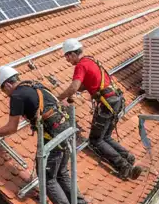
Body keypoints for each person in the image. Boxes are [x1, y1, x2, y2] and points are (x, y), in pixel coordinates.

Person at [0, 66, 89, 204]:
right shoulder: (34, 85)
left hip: (53, 139)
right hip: (67, 132)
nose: (6, 95)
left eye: (4, 91)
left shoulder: (17, 96)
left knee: (48, 178)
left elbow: (12, 127)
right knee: (61, 172)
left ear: (7, 85)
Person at [57, 39, 143, 180]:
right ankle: (128, 157)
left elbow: (74, 86)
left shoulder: (80, 66)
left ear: (72, 54)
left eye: (67, 56)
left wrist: (57, 98)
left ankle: (125, 167)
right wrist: (74, 92)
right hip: (115, 100)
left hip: (106, 103)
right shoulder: (90, 60)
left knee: (96, 140)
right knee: (106, 136)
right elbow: (87, 84)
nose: (67, 60)